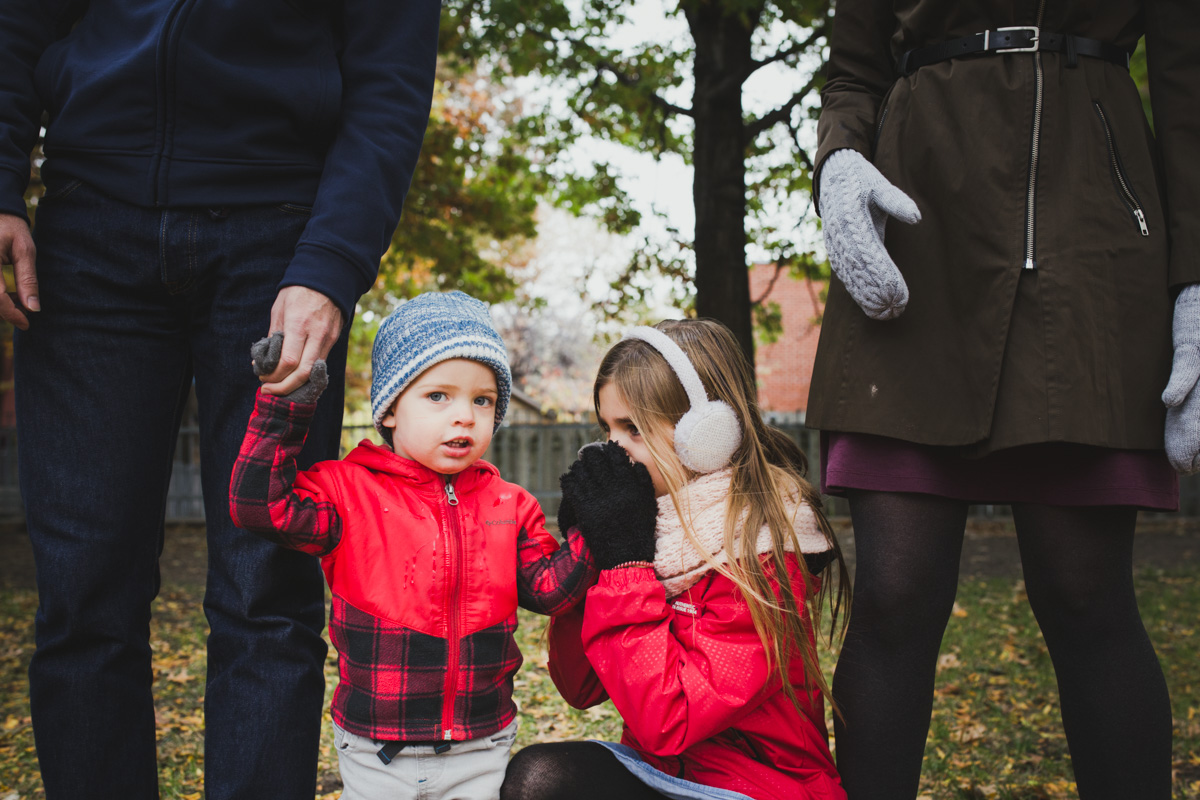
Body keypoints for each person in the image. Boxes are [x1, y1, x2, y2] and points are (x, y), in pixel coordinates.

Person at [0, 2, 441, 797]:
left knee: (266, 595)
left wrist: (332, 262)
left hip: (279, 243)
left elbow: (391, 80)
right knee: (81, 600)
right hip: (87, 225)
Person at [810, 2, 1197, 797]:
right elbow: (853, 69)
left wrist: (1197, 280)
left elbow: (1191, 86)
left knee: (1086, 594)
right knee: (894, 596)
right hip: (916, 238)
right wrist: (839, 160)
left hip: (1092, 239)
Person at [229, 290, 597, 800]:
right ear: (390, 410)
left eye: (482, 399)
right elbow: (258, 506)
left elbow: (551, 590)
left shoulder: (509, 504)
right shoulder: (346, 491)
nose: (464, 416)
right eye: (439, 396)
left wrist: (596, 523)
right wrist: (284, 408)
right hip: (378, 749)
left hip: (480, 743)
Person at [501, 319, 849, 800]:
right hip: (665, 772)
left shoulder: (763, 551)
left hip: (757, 784)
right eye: (608, 428)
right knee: (536, 778)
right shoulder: (649, 526)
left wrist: (626, 566)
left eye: (634, 429)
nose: (613, 448)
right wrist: (589, 557)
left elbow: (670, 719)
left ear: (705, 436)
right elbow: (580, 688)